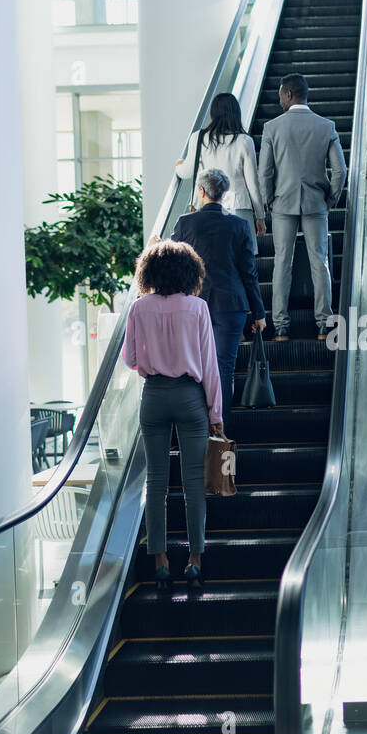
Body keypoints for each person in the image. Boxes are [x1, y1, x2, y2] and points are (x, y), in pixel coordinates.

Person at [123, 239, 224, 592]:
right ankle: (195, 561)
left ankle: (161, 562)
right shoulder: (197, 308)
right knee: (194, 483)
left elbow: (130, 358)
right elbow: (210, 365)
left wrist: (153, 364)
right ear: (189, 272)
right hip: (189, 396)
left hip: (153, 396)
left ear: (149, 272)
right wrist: (216, 412)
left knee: (156, 482)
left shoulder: (139, 308)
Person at [258, 72, 347, 342]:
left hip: (282, 204)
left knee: (282, 262)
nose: (279, 100)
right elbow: (340, 170)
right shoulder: (325, 126)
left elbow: (264, 172)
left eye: (280, 95)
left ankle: (281, 327)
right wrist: (330, 198)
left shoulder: (272, 127)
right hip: (315, 203)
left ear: (288, 94)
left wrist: (269, 200)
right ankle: (323, 325)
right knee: (319, 261)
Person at [171, 168, 266, 418]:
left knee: (193, 367)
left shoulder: (184, 223)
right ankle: (221, 436)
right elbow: (249, 273)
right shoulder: (240, 225)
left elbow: (171, 265)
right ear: (223, 194)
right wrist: (258, 313)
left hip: (192, 306)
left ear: (201, 192)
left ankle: (197, 429)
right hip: (231, 306)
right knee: (224, 369)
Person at [175, 91, 266, 252]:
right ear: (236, 114)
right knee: (242, 259)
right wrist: (260, 216)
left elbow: (187, 172)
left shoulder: (198, 138)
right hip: (238, 208)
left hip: (207, 208)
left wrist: (178, 165)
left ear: (213, 113)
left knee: (211, 258)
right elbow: (253, 183)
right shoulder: (244, 141)